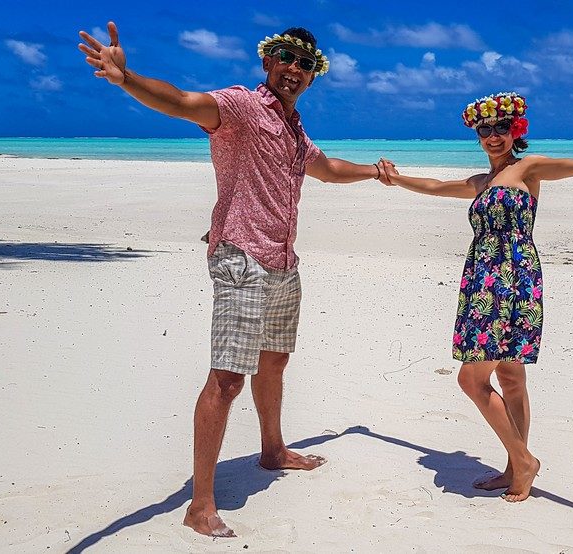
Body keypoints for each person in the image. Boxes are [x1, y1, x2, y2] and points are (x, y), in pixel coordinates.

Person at [77, 22, 389, 537]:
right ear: (268, 62)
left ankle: (272, 449)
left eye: (305, 63)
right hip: (242, 257)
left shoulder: (294, 128)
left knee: (275, 361)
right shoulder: (241, 107)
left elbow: (327, 167)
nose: (295, 68)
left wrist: (375, 172)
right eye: (286, 57)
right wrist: (125, 77)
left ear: (313, 76)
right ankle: (200, 504)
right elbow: (181, 102)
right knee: (227, 379)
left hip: (283, 260)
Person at [378, 92, 573, 502]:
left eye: (501, 128)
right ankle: (513, 466)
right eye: (485, 129)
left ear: (515, 130)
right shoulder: (481, 182)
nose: (493, 136)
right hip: (481, 280)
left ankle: (522, 461)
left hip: (514, 279)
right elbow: (436, 185)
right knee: (508, 376)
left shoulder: (529, 168)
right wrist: (394, 178)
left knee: (473, 379)